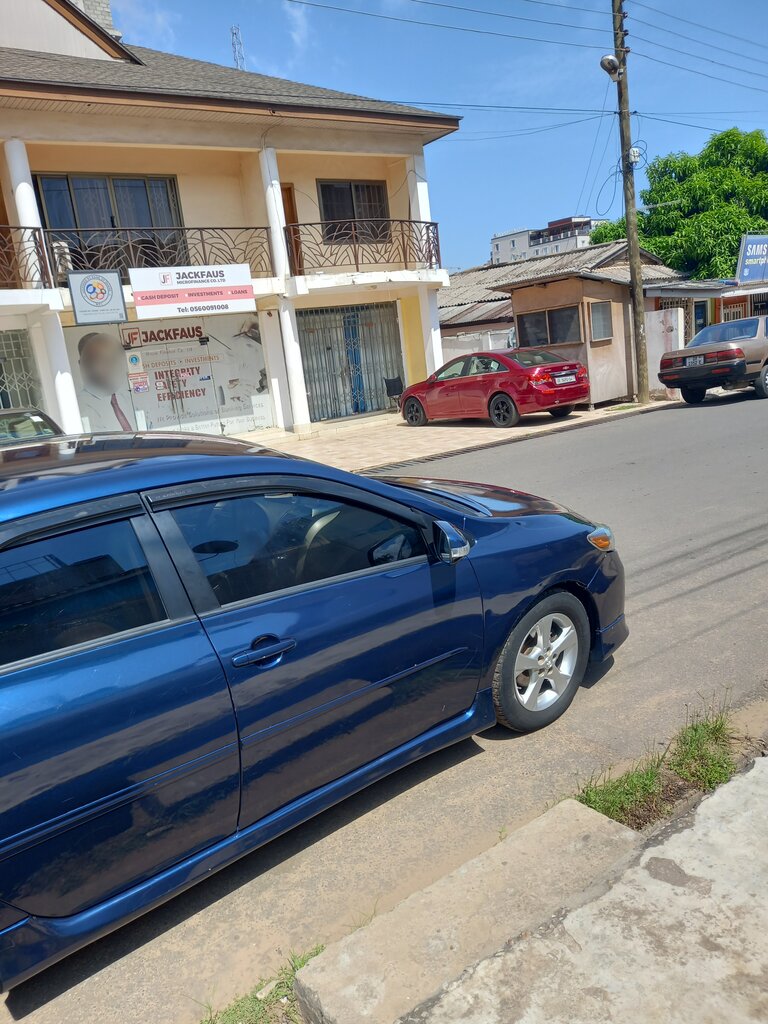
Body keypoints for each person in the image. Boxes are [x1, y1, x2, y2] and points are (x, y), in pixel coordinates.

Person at [76, 331, 136, 433]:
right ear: (82, 364)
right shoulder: (84, 404)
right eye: (97, 359)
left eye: (108, 358)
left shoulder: (122, 396)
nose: (106, 365)